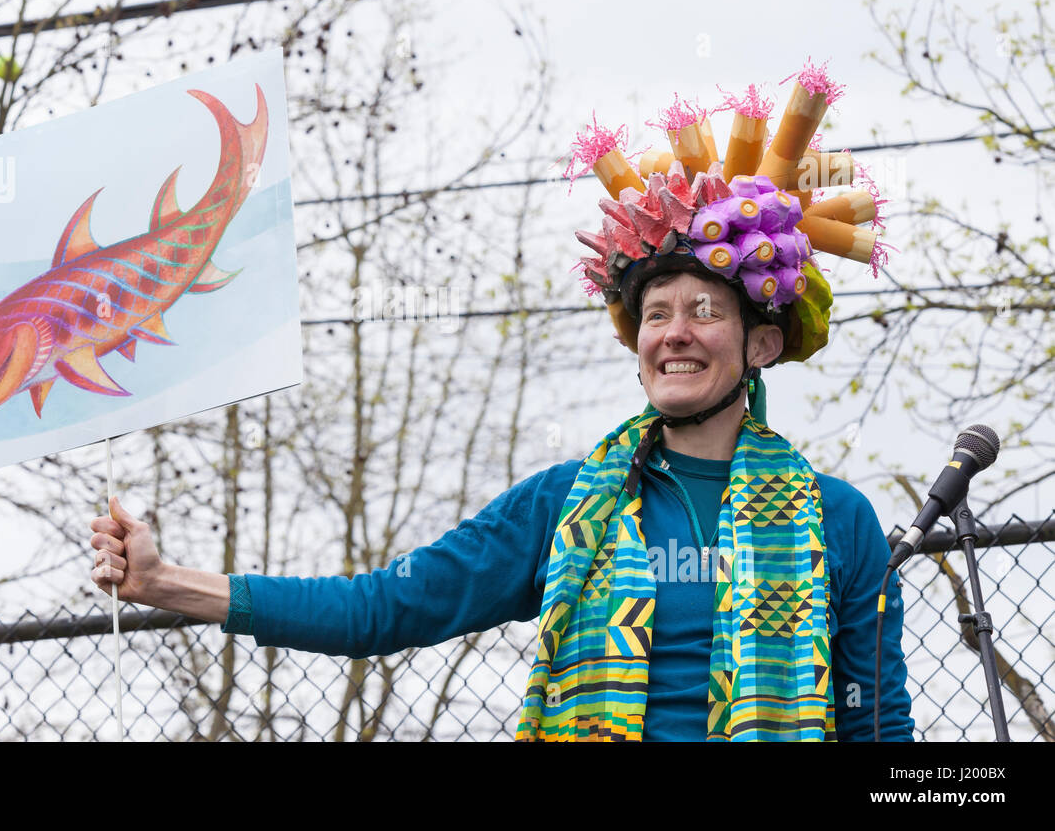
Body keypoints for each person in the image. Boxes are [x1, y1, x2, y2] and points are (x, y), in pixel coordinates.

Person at [90, 76, 916, 742]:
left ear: (761, 346)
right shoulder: (564, 504)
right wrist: (167, 582)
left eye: (704, 311)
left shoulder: (840, 523)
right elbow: (384, 608)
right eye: (656, 314)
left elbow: (880, 731)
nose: (673, 334)